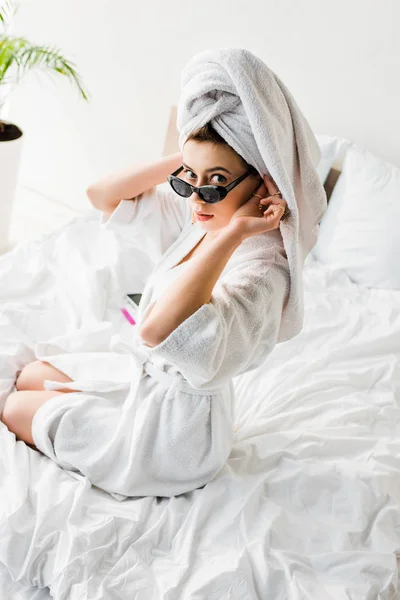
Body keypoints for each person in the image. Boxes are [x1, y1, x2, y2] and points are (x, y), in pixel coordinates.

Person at [1, 121, 291, 499]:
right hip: (148, 384)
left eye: (217, 180)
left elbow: (154, 332)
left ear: (262, 185)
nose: (197, 197)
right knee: (30, 375)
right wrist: (190, 159)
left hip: (175, 438)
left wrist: (236, 232)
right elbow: (101, 195)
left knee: (16, 407)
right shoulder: (203, 216)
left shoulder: (261, 270)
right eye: (190, 177)